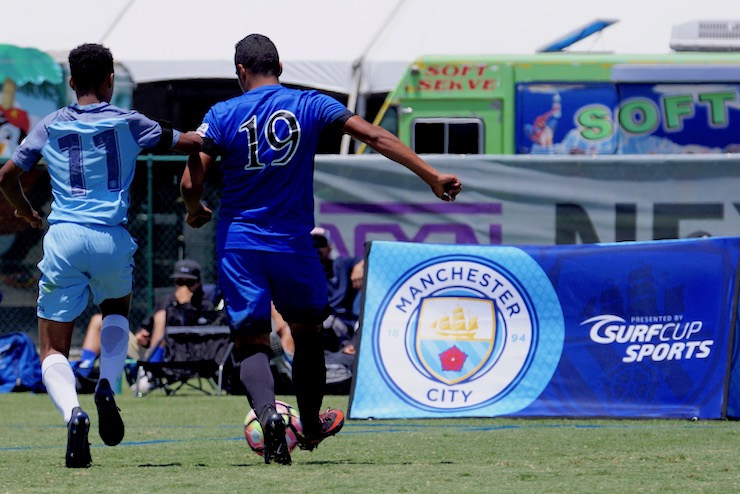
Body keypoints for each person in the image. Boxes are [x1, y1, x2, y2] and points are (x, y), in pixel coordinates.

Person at [180, 33, 461, 466]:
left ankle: (270, 415)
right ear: (280, 66)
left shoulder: (220, 114)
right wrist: (430, 175)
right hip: (293, 242)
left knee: (252, 340)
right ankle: (309, 426)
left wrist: (194, 206)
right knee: (308, 332)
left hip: (240, 243)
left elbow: (190, 177)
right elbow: (374, 136)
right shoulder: (310, 104)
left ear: (240, 71)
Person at [0, 43, 202, 468]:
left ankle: (75, 413)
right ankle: (107, 385)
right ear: (111, 79)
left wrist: (22, 208)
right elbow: (189, 142)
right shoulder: (132, 122)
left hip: (64, 237)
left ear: (71, 83)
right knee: (115, 313)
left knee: (52, 348)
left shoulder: (51, 124)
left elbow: (6, 175)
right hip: (111, 237)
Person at [75, 259, 221, 392]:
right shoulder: (165, 301)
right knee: (99, 320)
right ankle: (84, 371)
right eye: (179, 282)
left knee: (162, 317)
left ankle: (151, 373)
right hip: (153, 350)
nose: (183, 288)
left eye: (189, 283)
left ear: (198, 283)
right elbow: (148, 326)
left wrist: (186, 306)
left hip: (184, 354)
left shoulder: (204, 304)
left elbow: (201, 334)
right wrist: (143, 335)